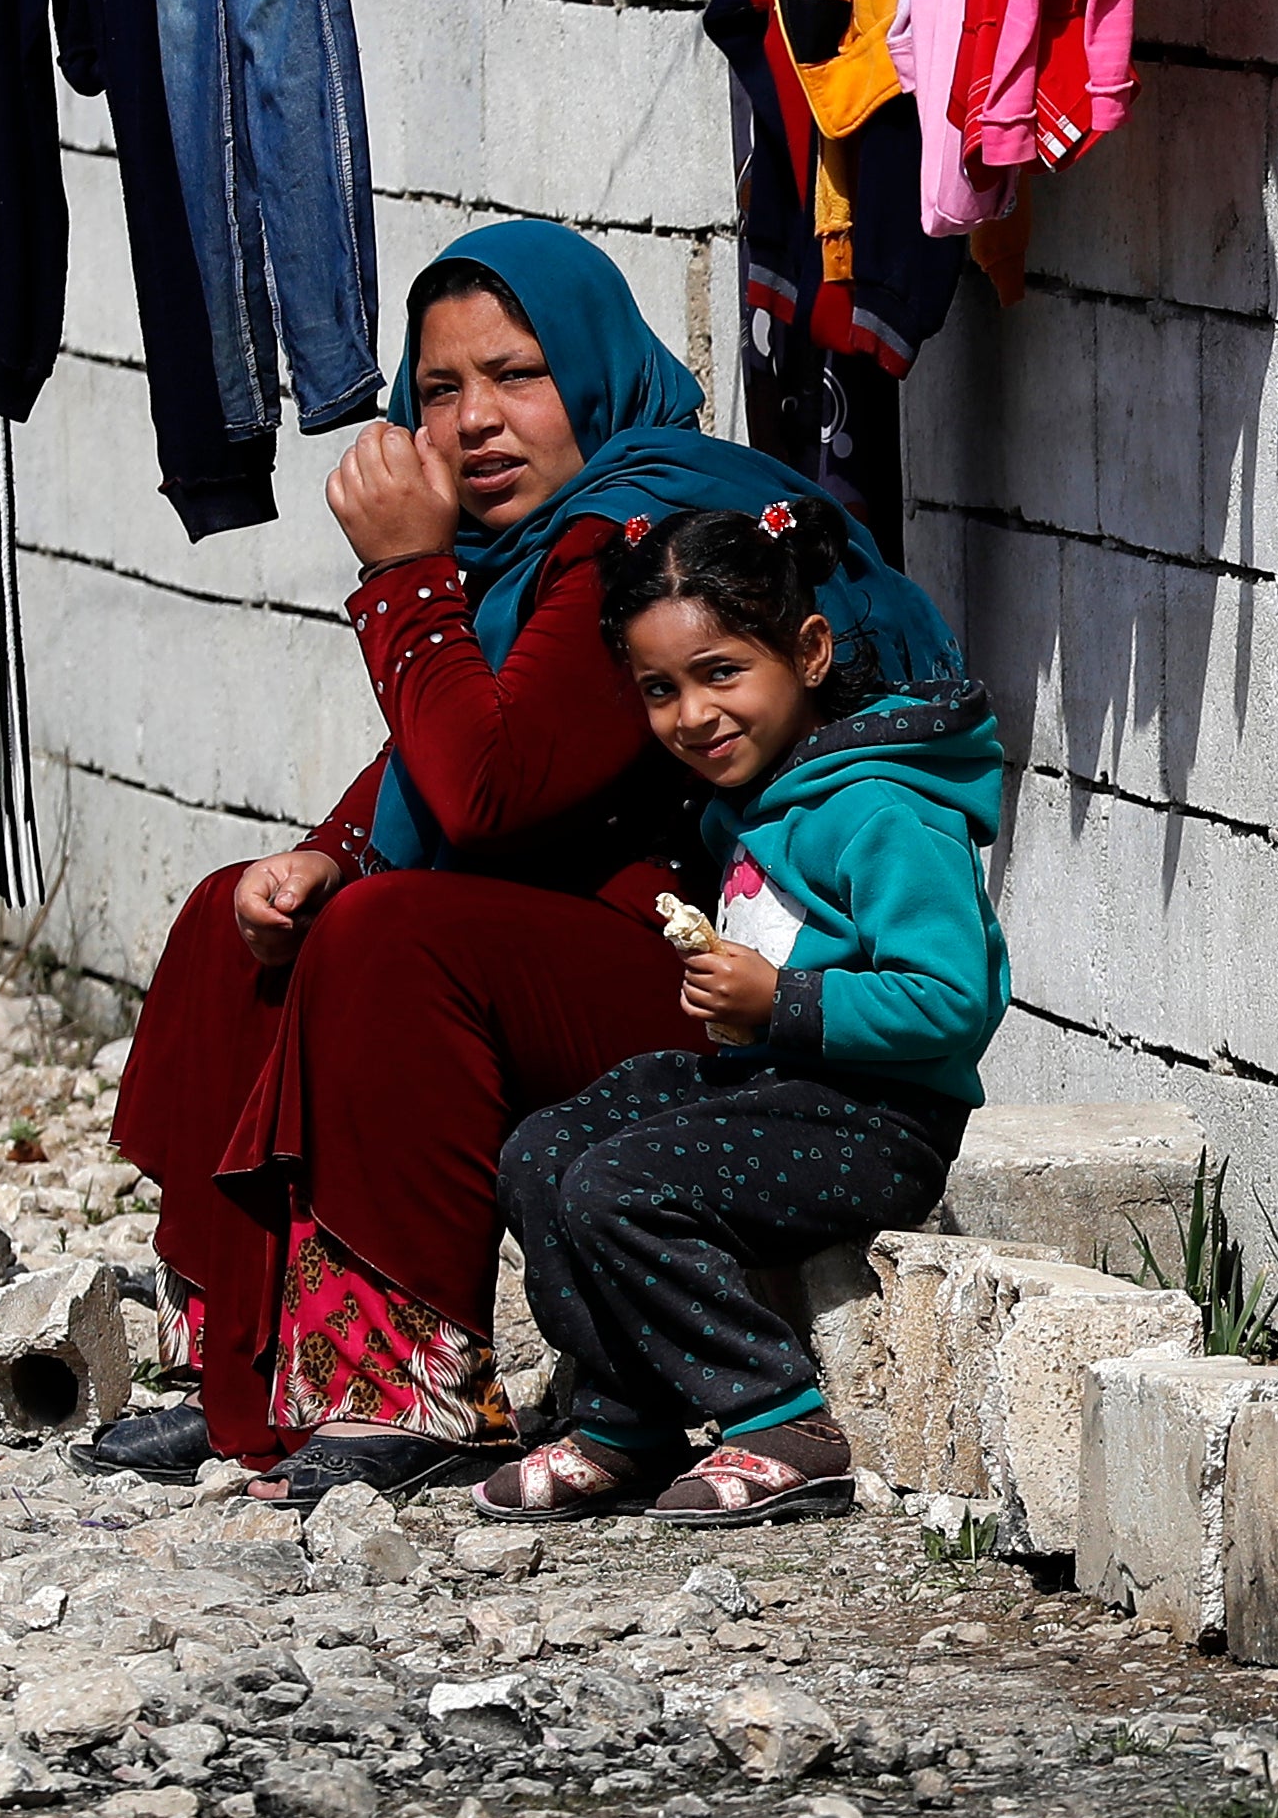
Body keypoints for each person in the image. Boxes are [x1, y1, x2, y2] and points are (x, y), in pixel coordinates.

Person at [100, 219, 966, 1500]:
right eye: (439, 391)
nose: (476, 423)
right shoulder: (529, 553)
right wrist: (331, 852)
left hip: (730, 987)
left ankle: (406, 1383)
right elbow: (435, 761)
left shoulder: (645, 536)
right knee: (249, 913)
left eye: (518, 375)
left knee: (393, 937)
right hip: (613, 942)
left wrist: (402, 577)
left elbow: (494, 788)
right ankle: (254, 1371)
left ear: (598, 372)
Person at [469, 504, 1009, 1520]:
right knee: (545, 1147)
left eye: (721, 672)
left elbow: (953, 1000)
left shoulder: (885, 810)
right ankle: (624, 1415)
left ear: (806, 651)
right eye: (660, 690)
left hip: (877, 1121)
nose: (692, 714)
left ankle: (780, 1417)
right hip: (778, 1093)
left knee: (615, 1184)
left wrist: (782, 999)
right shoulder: (763, 802)